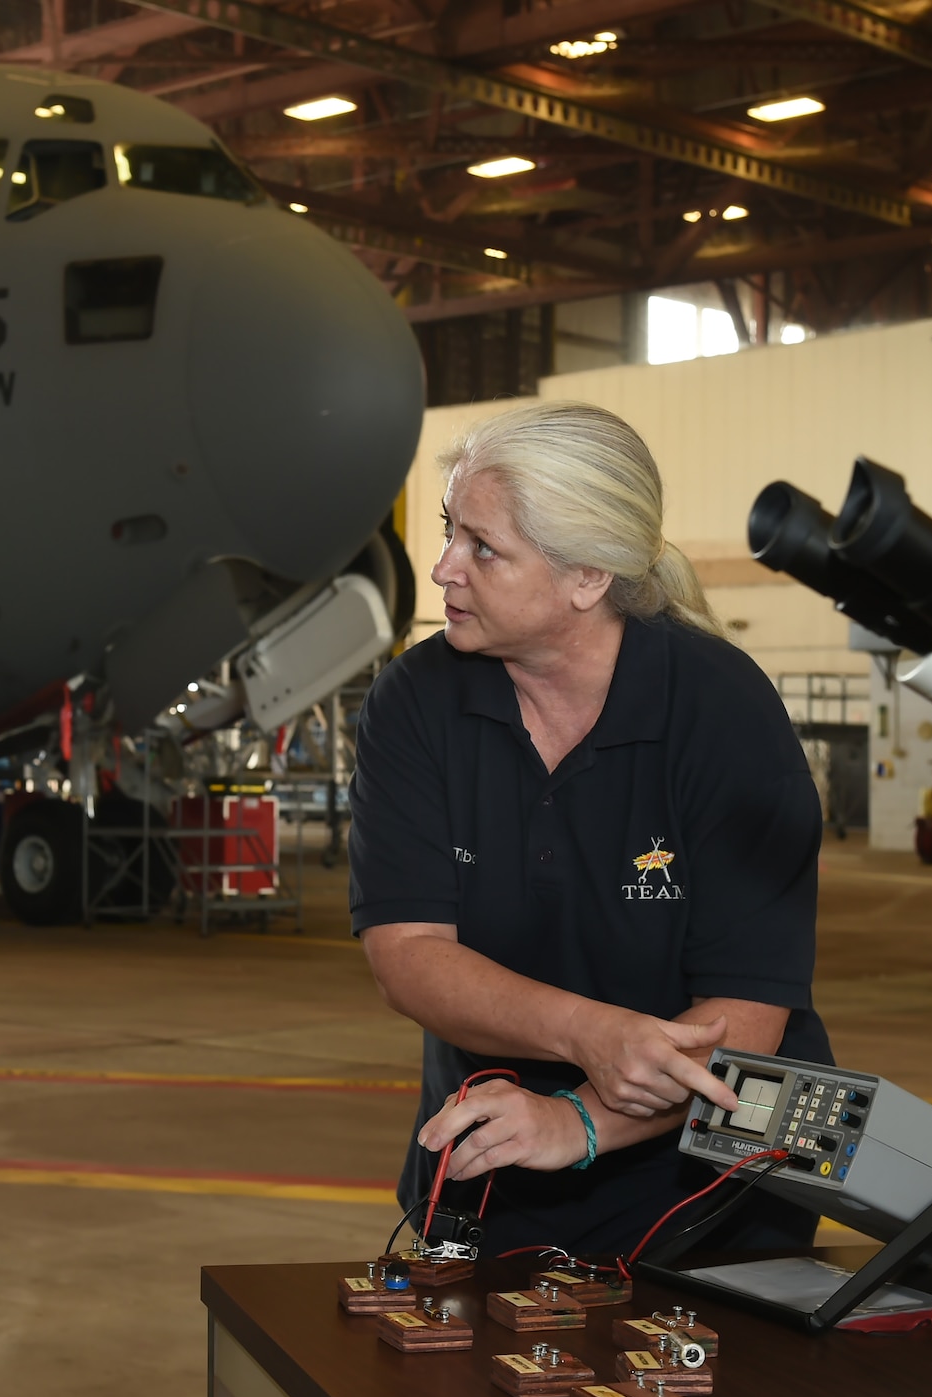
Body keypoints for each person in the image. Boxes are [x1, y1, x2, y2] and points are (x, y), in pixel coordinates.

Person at [349, 401, 832, 1265]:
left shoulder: (723, 712)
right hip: (489, 1181)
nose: (443, 568)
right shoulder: (416, 704)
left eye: (483, 548)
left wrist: (579, 1120)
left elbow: (746, 1016)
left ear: (587, 579)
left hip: (710, 1210)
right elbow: (408, 952)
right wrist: (587, 1034)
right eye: (449, 530)